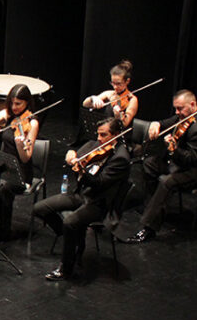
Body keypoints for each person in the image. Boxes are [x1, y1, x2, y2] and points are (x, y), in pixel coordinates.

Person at [32, 118, 131, 280]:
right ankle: (73, 239)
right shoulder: (95, 145)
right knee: (40, 209)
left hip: (99, 202)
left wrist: (81, 172)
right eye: (98, 134)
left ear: (116, 135)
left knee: (69, 222)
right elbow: (75, 154)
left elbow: (99, 184)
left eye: (103, 135)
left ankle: (66, 268)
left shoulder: (121, 158)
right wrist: (71, 156)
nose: (99, 138)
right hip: (81, 194)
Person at [129, 89, 197, 242]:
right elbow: (170, 121)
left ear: (192, 104)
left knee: (168, 182)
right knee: (149, 164)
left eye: (180, 108)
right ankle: (154, 208)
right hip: (182, 163)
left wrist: (174, 149)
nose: (177, 112)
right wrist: (156, 124)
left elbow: (192, 159)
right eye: (176, 108)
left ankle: (149, 228)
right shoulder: (185, 116)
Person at [0, 83, 39, 240]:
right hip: (4, 166)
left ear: (27, 103)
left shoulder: (32, 123)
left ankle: (3, 231)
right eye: (11, 102)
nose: (14, 107)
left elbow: (26, 157)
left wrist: (20, 145)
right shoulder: (7, 114)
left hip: (21, 172)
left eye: (18, 103)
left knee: (4, 188)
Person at [82, 59, 138, 131]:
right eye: (113, 83)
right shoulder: (109, 94)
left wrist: (118, 116)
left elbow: (124, 124)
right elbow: (85, 104)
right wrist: (93, 98)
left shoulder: (132, 99)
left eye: (118, 84)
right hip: (104, 132)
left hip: (118, 136)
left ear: (127, 81)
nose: (115, 87)